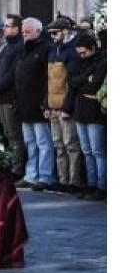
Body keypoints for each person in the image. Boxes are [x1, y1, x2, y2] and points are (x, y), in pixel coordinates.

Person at [15, 17, 54, 191]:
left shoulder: (46, 48)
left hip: (38, 103)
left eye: (28, 32)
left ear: (38, 31)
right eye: (23, 32)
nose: (24, 35)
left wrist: (46, 103)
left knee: (43, 142)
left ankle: (44, 176)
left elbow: (49, 79)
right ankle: (31, 175)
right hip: (24, 103)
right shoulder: (23, 49)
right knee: (29, 142)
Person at [68, 33, 107, 200]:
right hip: (80, 110)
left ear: (93, 48)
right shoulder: (80, 62)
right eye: (79, 53)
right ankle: (91, 184)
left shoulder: (102, 62)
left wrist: (81, 82)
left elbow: (94, 85)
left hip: (94, 112)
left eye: (84, 52)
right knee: (87, 151)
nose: (81, 56)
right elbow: (73, 81)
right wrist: (84, 79)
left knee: (97, 151)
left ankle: (102, 185)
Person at [46, 18, 82, 193]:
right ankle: (62, 179)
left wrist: (67, 108)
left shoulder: (72, 52)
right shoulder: (54, 51)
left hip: (65, 108)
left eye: (55, 33)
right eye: (50, 33)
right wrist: (46, 105)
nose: (52, 37)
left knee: (71, 145)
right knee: (58, 145)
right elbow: (49, 81)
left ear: (65, 31)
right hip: (53, 106)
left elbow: (73, 83)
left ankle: (74, 182)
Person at [0, 14, 26, 180]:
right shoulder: (7, 47)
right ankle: (11, 164)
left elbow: (12, 73)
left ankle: (17, 169)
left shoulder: (19, 47)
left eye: (7, 26)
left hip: (10, 96)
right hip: (1, 95)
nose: (4, 29)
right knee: (7, 133)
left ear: (16, 29)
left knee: (14, 135)